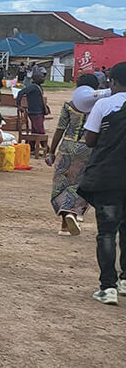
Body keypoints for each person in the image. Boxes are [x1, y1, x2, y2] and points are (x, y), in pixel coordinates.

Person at [78, 62, 126, 305]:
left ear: (113, 82)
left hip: (108, 177)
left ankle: (108, 287)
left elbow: (90, 140)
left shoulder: (104, 105)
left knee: (107, 232)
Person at [47, 76, 107, 237]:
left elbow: (60, 129)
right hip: (89, 148)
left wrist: (51, 151)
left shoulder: (69, 105)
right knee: (81, 183)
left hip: (67, 147)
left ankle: (64, 225)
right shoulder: (99, 106)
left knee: (62, 183)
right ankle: (72, 213)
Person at [16, 71, 48, 136]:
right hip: (35, 113)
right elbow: (20, 93)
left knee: (35, 132)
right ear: (36, 78)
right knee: (40, 132)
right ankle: (44, 145)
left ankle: (32, 145)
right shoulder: (33, 87)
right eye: (41, 77)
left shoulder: (37, 87)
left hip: (38, 112)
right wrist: (19, 105)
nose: (43, 79)